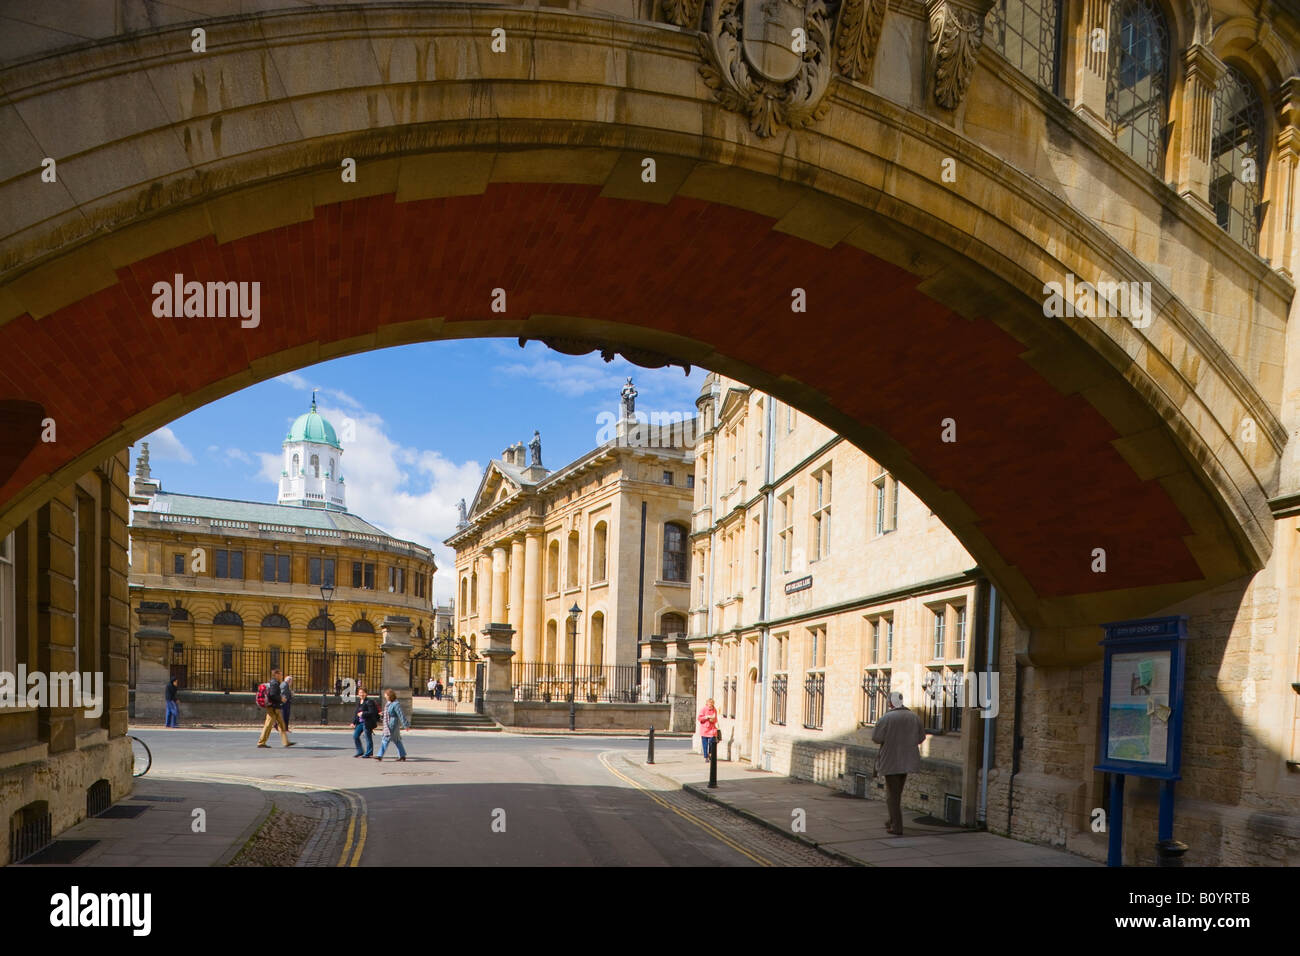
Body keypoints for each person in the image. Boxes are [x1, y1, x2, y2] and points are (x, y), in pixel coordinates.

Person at [872, 691, 926, 836]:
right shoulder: (914, 717)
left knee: (892, 796)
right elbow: (921, 737)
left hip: (891, 760)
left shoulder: (887, 718)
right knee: (896, 793)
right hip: (907, 760)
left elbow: (876, 738)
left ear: (891, 702)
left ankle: (897, 826)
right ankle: (891, 821)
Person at [256, 668, 296, 748]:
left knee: (281, 724)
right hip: (273, 708)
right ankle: (261, 742)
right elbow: (272, 695)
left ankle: (286, 742)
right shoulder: (274, 683)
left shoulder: (276, 683)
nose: (281, 676)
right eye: (280, 674)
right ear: (276, 675)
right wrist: (281, 698)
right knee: (268, 725)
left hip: (275, 707)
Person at [376, 688, 409, 762]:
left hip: (392, 723)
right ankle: (402, 755)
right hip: (389, 722)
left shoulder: (396, 704)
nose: (385, 697)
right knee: (397, 740)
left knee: (386, 738)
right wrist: (383, 713)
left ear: (389, 696)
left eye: (386, 696)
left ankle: (379, 755)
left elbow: (400, 714)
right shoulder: (389, 703)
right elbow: (388, 712)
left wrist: (405, 725)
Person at [352, 687, 380, 758]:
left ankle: (369, 753)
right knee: (355, 736)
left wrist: (363, 713)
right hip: (360, 723)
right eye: (360, 693)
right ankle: (360, 751)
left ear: (366, 693)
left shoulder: (369, 702)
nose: (361, 694)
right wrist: (353, 722)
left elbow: (372, 712)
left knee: (368, 737)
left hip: (367, 722)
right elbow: (356, 713)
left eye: (363, 693)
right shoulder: (359, 702)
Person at [697, 697, 719, 763]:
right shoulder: (703, 709)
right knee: (705, 744)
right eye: (709, 704)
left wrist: (713, 719)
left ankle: (710, 753)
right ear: (707, 704)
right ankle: (706, 756)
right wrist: (706, 717)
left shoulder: (714, 710)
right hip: (704, 729)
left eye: (711, 704)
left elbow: (715, 719)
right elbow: (699, 718)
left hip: (711, 729)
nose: (710, 706)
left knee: (712, 742)